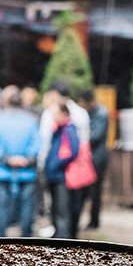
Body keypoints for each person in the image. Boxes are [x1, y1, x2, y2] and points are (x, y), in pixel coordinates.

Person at [0, 87, 41, 237]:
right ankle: (27, 241)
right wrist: (26, 159)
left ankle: (0, 239)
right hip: (26, 171)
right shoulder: (31, 121)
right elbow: (37, 144)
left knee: (2, 207)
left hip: (3, 170)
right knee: (27, 208)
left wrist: (7, 159)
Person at [44, 101, 81, 239]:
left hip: (62, 175)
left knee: (62, 209)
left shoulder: (69, 129)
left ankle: (63, 237)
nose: (53, 117)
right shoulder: (58, 129)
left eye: (56, 113)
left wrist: (57, 164)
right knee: (55, 208)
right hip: (54, 175)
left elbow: (74, 151)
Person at [82, 88, 112, 230]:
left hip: (97, 158)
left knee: (95, 192)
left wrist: (80, 140)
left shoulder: (101, 113)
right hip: (90, 157)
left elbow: (95, 136)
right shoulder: (90, 112)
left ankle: (94, 221)